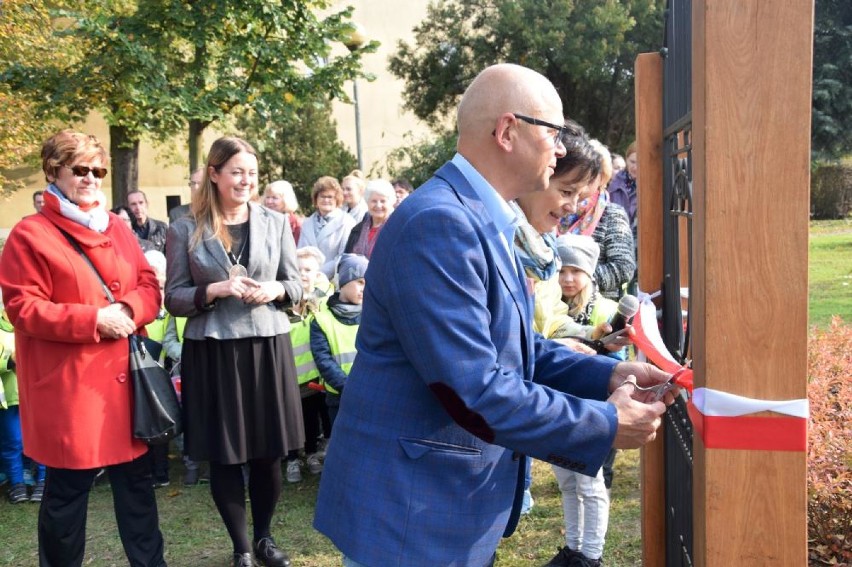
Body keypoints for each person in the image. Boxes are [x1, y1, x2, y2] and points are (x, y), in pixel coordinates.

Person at [313, 63, 674, 567]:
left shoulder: (479, 215)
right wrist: (605, 423)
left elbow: (517, 345)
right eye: (552, 131)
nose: (563, 148)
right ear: (508, 131)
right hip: (411, 516)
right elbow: (475, 388)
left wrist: (609, 372)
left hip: (433, 506)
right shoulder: (441, 222)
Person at [0, 129, 167, 566]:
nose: (91, 177)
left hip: (126, 387)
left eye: (98, 169)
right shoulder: (30, 234)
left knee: (136, 491)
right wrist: (93, 320)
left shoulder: (116, 225)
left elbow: (148, 284)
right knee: (66, 498)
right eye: (80, 169)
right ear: (54, 170)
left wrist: (129, 310)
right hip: (71, 391)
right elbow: (23, 307)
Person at [165, 136, 304, 567]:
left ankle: (264, 539)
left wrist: (275, 288)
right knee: (225, 453)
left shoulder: (275, 222)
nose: (246, 181)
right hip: (213, 351)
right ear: (214, 174)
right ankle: (241, 548)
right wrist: (213, 289)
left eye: (252, 174)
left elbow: (298, 286)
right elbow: (173, 297)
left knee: (268, 451)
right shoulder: (184, 227)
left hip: (267, 346)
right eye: (237, 172)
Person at [544, 233, 625, 567]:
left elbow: (617, 365)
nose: (567, 278)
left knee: (589, 484)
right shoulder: (550, 309)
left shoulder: (606, 311)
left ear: (590, 273)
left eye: (575, 270)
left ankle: (591, 556)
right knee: (566, 481)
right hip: (557, 402)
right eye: (561, 270)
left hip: (590, 408)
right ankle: (573, 548)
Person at [559, 141, 635, 301]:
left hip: (596, 310)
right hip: (553, 307)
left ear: (602, 178)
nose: (583, 178)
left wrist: (580, 279)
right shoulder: (556, 208)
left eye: (592, 173)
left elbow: (624, 267)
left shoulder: (612, 214)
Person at [285, 246, 333, 484]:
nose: (303, 274)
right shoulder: (283, 303)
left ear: (318, 274)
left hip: (315, 375)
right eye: (298, 269)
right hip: (288, 376)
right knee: (291, 419)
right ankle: (292, 458)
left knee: (312, 417)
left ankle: (312, 454)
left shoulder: (323, 303)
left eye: (308, 270)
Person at [310, 253, 367, 429]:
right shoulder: (321, 320)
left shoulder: (372, 315)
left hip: (369, 394)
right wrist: (347, 386)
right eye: (360, 282)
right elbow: (323, 360)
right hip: (339, 397)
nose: (365, 288)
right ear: (343, 282)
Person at [0, 304, 47, 504]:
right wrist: (9, 361)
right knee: (13, 442)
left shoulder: (36, 326)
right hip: (9, 398)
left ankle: (44, 480)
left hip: (38, 396)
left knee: (42, 439)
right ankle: (17, 483)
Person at [298, 176, 355, 279]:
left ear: (337, 199)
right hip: (305, 279)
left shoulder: (347, 222)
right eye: (322, 196)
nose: (326, 200)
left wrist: (320, 274)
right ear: (316, 199)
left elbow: (344, 255)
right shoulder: (307, 223)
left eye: (330, 197)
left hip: (333, 280)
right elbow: (300, 252)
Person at [344, 179, 396, 258]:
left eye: (383, 201)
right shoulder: (357, 230)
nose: (378, 205)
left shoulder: (396, 230)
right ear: (367, 202)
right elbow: (346, 258)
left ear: (391, 203)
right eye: (374, 201)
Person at [606, 141, 638, 238]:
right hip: (617, 237)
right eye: (632, 162)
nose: (635, 167)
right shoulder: (614, 183)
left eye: (640, 162)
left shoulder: (651, 186)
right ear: (626, 159)